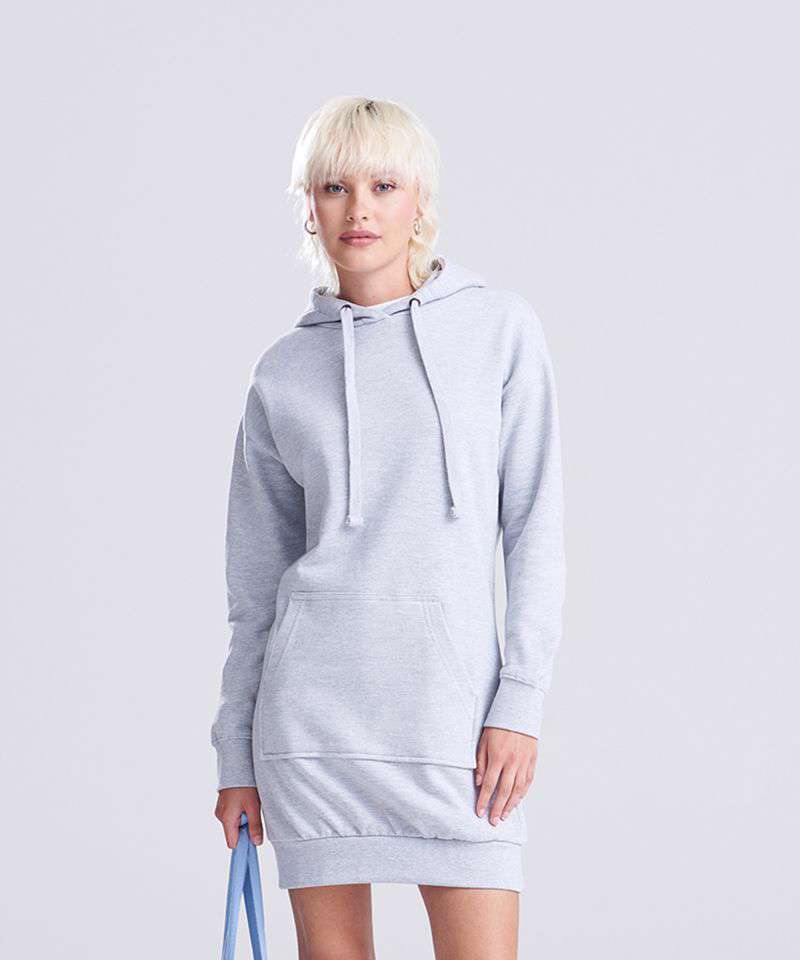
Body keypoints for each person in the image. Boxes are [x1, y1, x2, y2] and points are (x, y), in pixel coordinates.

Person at [210, 95, 566, 959]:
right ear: (309, 206)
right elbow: (255, 588)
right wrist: (235, 756)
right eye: (334, 187)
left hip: (456, 729)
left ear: (420, 200)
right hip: (312, 734)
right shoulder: (283, 373)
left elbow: (534, 527)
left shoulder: (498, 331)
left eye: (383, 185)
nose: (358, 209)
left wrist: (520, 703)